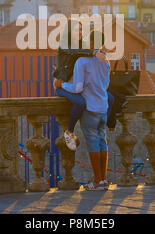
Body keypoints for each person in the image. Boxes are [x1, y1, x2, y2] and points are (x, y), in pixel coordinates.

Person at [55, 30, 110, 191]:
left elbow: (77, 88)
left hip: (91, 107)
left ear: (91, 44)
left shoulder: (82, 62)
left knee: (93, 143)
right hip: (103, 106)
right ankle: (104, 180)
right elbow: (105, 86)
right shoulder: (105, 61)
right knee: (102, 142)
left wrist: (61, 85)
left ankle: (98, 181)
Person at [53, 19, 114, 151]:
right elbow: (75, 52)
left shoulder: (82, 45)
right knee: (81, 102)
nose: (80, 32)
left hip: (77, 86)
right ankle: (69, 132)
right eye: (76, 30)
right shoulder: (64, 46)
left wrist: (102, 51)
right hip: (62, 86)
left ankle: (104, 125)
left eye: (81, 29)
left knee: (109, 97)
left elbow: (91, 51)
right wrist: (94, 53)